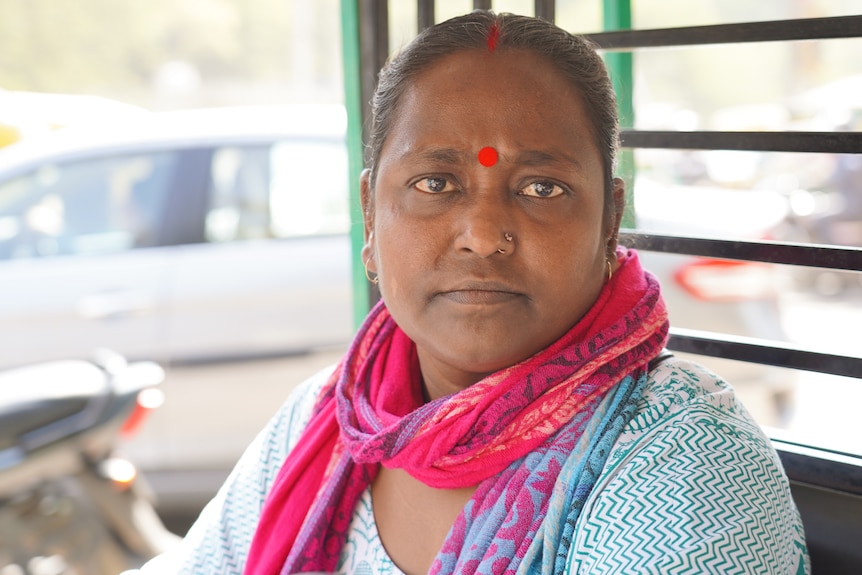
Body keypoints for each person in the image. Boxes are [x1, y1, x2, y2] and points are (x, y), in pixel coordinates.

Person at [135, 11, 809, 575]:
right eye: (436, 183)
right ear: (370, 215)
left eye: (541, 187)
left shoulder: (682, 457)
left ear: (609, 222)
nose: (484, 235)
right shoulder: (327, 421)